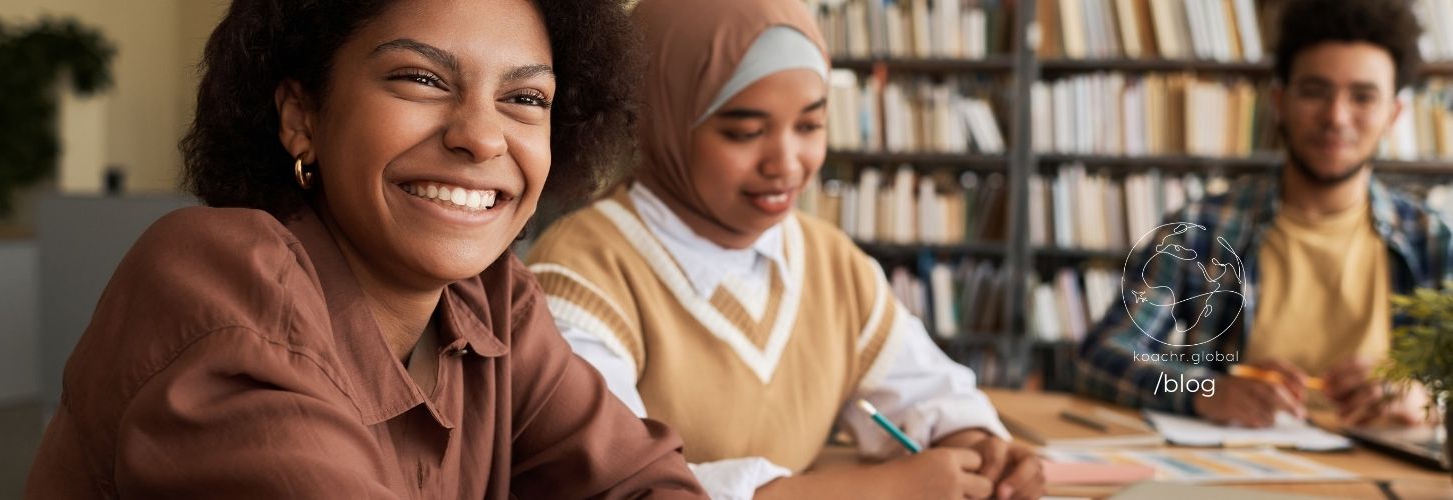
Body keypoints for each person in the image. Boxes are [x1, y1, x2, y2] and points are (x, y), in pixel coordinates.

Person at [24, 0, 705, 497]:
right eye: (422, 79)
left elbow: (649, 486)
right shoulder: (216, 276)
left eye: (525, 97)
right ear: (301, 117)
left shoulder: (493, 303)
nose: (483, 137)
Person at [524, 0, 1044, 498]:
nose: (787, 163)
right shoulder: (581, 273)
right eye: (745, 131)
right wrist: (885, 491)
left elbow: (925, 393)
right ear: (661, 120)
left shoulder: (830, 261)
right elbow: (617, 486)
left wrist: (979, 448)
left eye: (811, 125)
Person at [1076, 0, 1450, 428]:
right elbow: (1101, 357)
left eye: (1363, 96)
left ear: (1393, 115)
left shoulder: (1433, 240)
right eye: (1315, 92)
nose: (1336, 116)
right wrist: (1208, 390)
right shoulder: (1202, 230)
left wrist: (1428, 398)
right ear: (1279, 101)